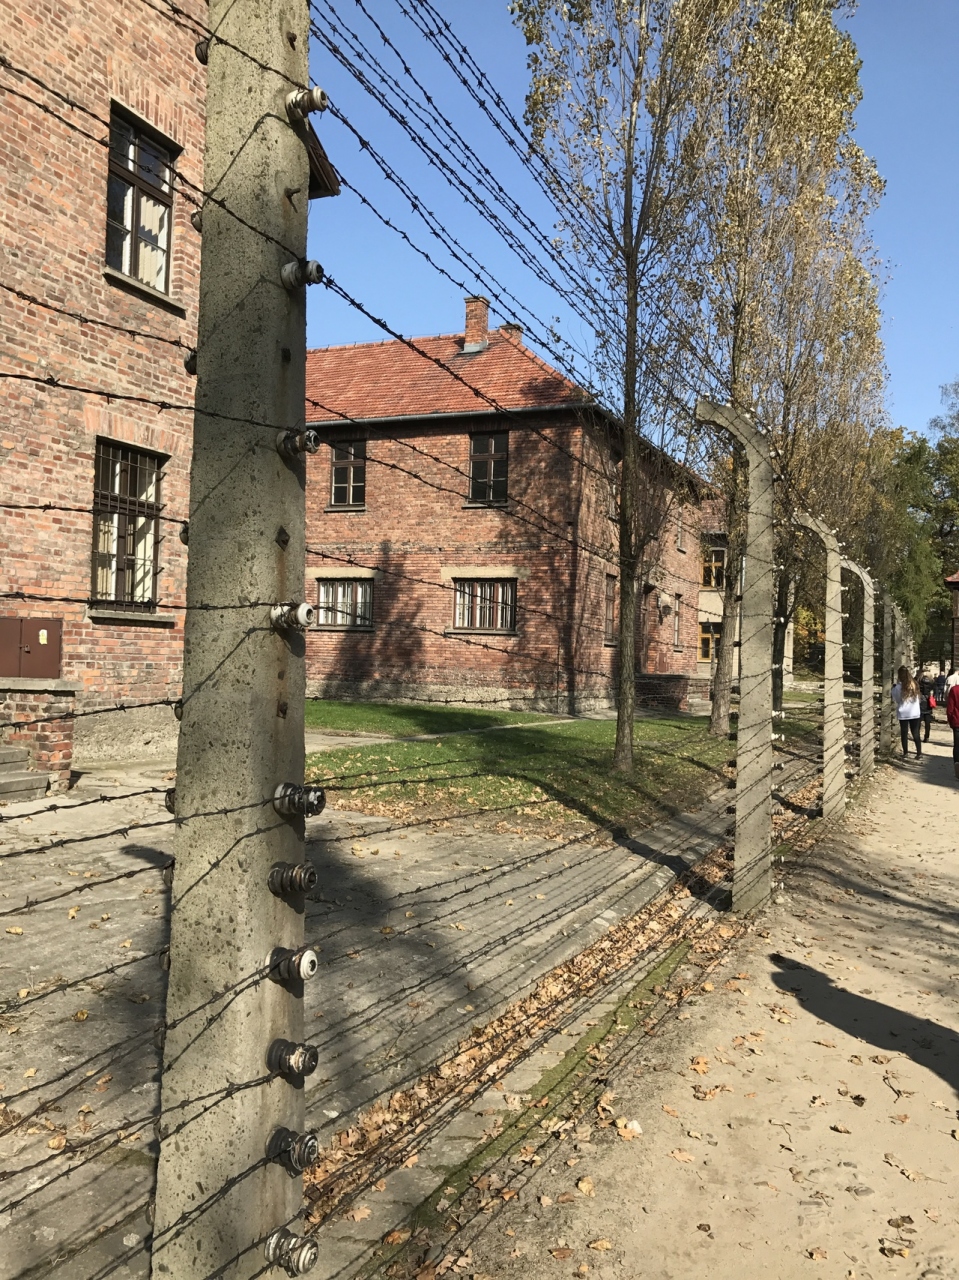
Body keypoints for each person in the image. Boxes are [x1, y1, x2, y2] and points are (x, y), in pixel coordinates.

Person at [892, 665, 922, 760]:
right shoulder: (914, 685)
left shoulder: (898, 687)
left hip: (904, 712)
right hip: (915, 712)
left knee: (904, 733)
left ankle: (906, 753)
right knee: (915, 733)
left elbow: (897, 699)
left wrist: (893, 689)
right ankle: (919, 753)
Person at [918, 668, 935, 742]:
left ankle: (917, 736)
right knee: (927, 722)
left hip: (920, 701)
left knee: (918, 721)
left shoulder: (919, 681)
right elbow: (934, 692)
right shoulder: (932, 682)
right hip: (928, 702)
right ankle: (927, 737)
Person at [948, 678, 959, 781]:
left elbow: (950, 708)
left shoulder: (954, 690)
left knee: (957, 745)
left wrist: (951, 721)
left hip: (957, 721)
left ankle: (957, 765)